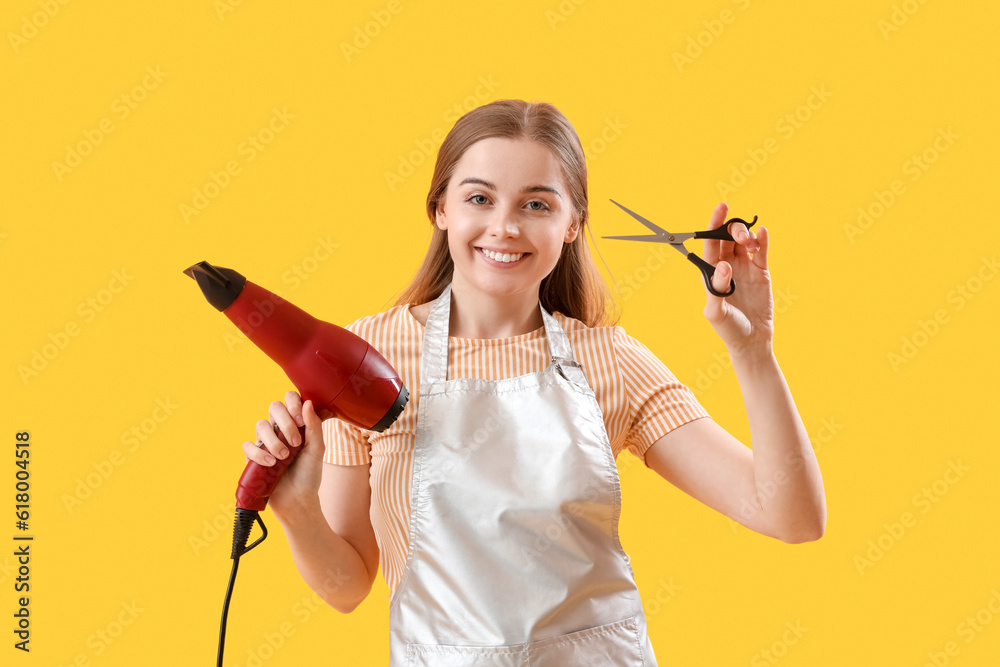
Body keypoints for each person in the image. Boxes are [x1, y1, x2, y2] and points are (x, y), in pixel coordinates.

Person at [242, 99, 826, 665]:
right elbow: (347, 586)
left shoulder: (610, 360)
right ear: (441, 208)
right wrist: (297, 510)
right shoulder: (367, 359)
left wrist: (752, 350)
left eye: (537, 205)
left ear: (572, 224)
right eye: (479, 198)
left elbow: (790, 516)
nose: (505, 227)